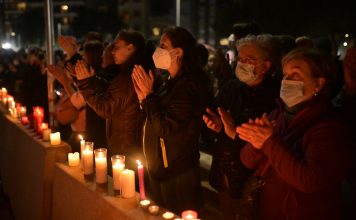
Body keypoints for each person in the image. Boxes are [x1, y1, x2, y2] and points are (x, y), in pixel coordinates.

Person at [236, 48, 353, 220]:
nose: (286, 81)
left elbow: (309, 180)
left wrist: (269, 142)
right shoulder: (278, 115)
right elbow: (246, 160)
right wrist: (256, 144)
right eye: (285, 75)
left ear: (319, 84)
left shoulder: (330, 127)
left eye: (295, 75)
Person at [202, 34, 282, 220]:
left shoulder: (274, 97)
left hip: (252, 181)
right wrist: (214, 126)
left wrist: (234, 132)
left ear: (266, 66)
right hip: (224, 174)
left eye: (250, 59)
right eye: (240, 58)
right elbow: (214, 120)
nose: (242, 63)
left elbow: (267, 144)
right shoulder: (231, 87)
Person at [131, 26, 210, 214]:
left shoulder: (188, 85)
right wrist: (145, 99)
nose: (159, 50)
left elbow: (166, 127)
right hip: (161, 166)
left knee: (176, 212)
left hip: (176, 169)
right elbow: (156, 114)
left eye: (163, 45)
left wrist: (149, 97)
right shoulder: (171, 81)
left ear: (178, 52)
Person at [75, 30, 154, 169]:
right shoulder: (131, 72)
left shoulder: (129, 76)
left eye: (116, 46)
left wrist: (85, 84)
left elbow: (106, 108)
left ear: (130, 47)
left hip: (126, 148)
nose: (112, 52)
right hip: (130, 146)